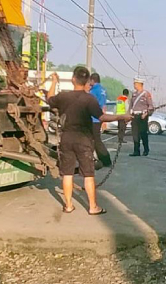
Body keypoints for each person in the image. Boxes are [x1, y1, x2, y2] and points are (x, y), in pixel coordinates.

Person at [46, 66, 129, 215]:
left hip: (67, 139)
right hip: (84, 140)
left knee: (67, 174)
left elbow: (49, 99)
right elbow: (102, 117)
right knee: (88, 174)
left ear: (73, 79)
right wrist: (121, 117)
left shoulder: (63, 96)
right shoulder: (89, 99)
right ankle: (92, 207)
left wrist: (53, 81)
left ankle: (69, 205)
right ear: (86, 82)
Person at [88, 72, 111, 167]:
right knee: (94, 139)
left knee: (95, 140)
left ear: (92, 80)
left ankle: (106, 159)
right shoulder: (103, 90)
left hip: (93, 118)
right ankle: (94, 159)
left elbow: (88, 104)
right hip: (100, 117)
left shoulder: (93, 91)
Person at [129, 77, 154, 157]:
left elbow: (151, 106)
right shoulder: (133, 94)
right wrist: (129, 115)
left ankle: (146, 150)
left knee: (143, 133)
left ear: (140, 84)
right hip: (135, 116)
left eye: (135, 83)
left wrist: (147, 113)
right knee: (135, 134)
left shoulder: (146, 94)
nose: (134, 85)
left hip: (143, 116)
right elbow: (131, 106)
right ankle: (136, 151)